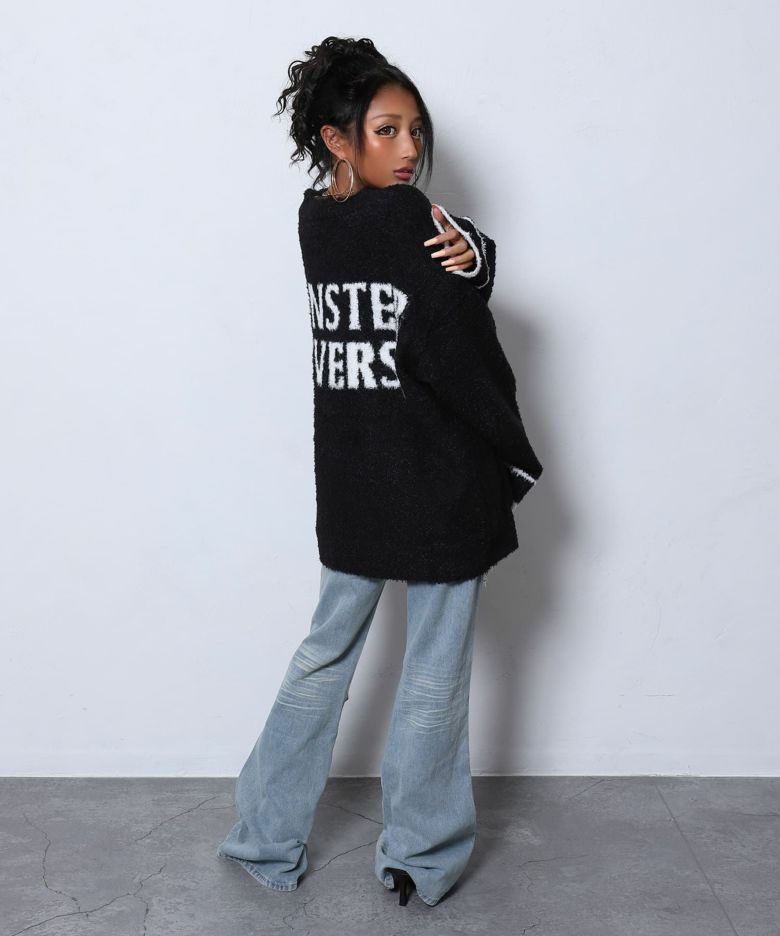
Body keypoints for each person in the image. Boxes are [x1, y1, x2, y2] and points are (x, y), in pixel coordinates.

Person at [217, 35, 544, 908]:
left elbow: (411, 290)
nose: (408, 150)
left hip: (353, 477)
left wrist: (472, 252)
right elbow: (456, 349)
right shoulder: (408, 219)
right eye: (387, 130)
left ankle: (263, 834)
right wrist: (514, 455)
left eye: (415, 131)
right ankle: (419, 857)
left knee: (323, 655)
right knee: (434, 671)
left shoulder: (314, 222)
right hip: (440, 481)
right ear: (339, 137)